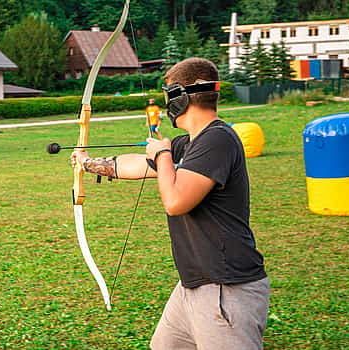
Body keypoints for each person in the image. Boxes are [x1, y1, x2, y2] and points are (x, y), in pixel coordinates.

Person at [72, 58, 269, 349]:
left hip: (226, 288)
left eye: (168, 95)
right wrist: (88, 163)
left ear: (179, 96)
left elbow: (176, 201)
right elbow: (139, 164)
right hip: (193, 286)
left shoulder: (218, 140)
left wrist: (163, 155)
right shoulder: (190, 143)